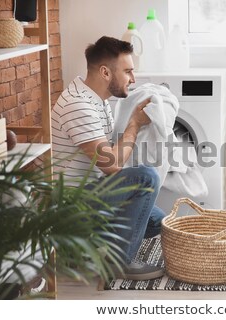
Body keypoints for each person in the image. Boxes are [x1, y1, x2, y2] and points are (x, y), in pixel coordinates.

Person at [51, 36, 165, 280]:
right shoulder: (78, 105)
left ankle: (82, 248)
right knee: (147, 178)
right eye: (128, 72)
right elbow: (112, 165)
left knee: (158, 222)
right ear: (105, 72)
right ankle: (117, 261)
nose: (133, 79)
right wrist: (134, 124)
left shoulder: (97, 100)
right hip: (70, 205)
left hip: (89, 192)